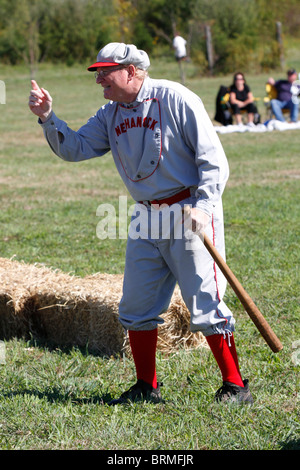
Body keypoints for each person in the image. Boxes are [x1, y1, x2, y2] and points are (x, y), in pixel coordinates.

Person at [28, 42, 253, 405]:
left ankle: (235, 385)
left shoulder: (176, 98)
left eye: (105, 71)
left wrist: (205, 206)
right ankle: (146, 386)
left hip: (188, 211)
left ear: (131, 71)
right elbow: (76, 148)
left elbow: (213, 160)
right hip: (145, 217)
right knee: (135, 307)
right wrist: (48, 117)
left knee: (205, 303)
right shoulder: (110, 113)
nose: (99, 78)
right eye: (97, 71)